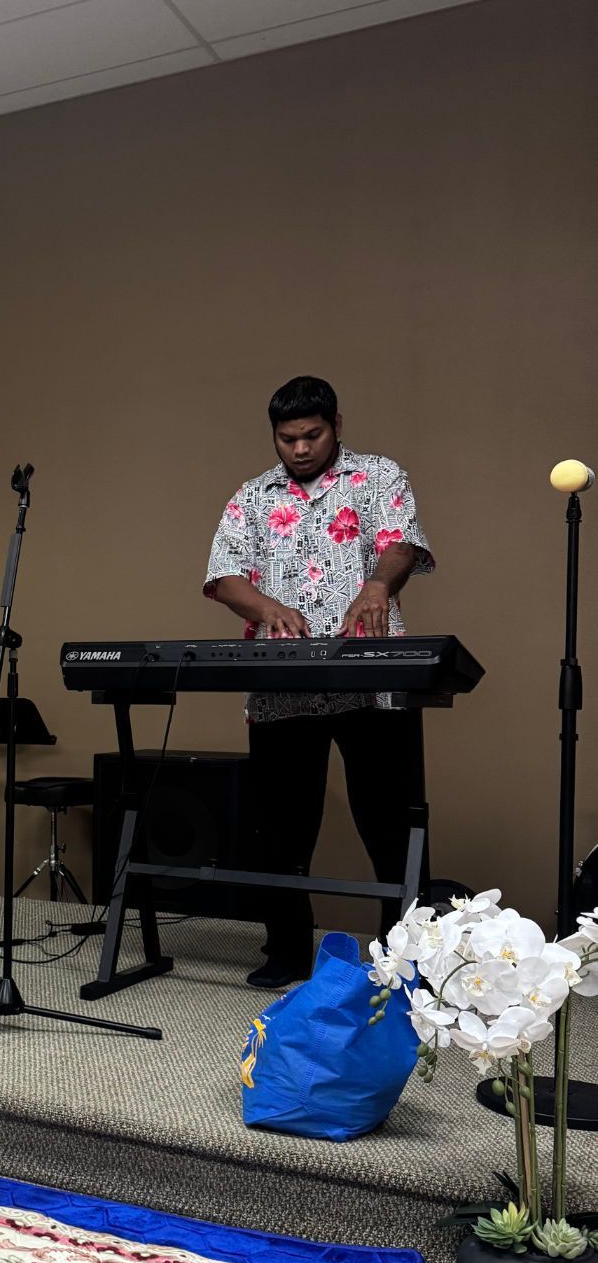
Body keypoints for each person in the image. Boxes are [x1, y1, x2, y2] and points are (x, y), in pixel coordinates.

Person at [204, 375, 433, 991]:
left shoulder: (380, 475)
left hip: (371, 679)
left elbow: (401, 546)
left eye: (313, 435)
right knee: (280, 825)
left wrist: (378, 586)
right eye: (287, 439)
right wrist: (263, 610)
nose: (300, 449)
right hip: (284, 686)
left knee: (391, 820)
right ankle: (286, 953)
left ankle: (403, 959)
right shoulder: (252, 496)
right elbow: (224, 575)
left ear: (336, 424)